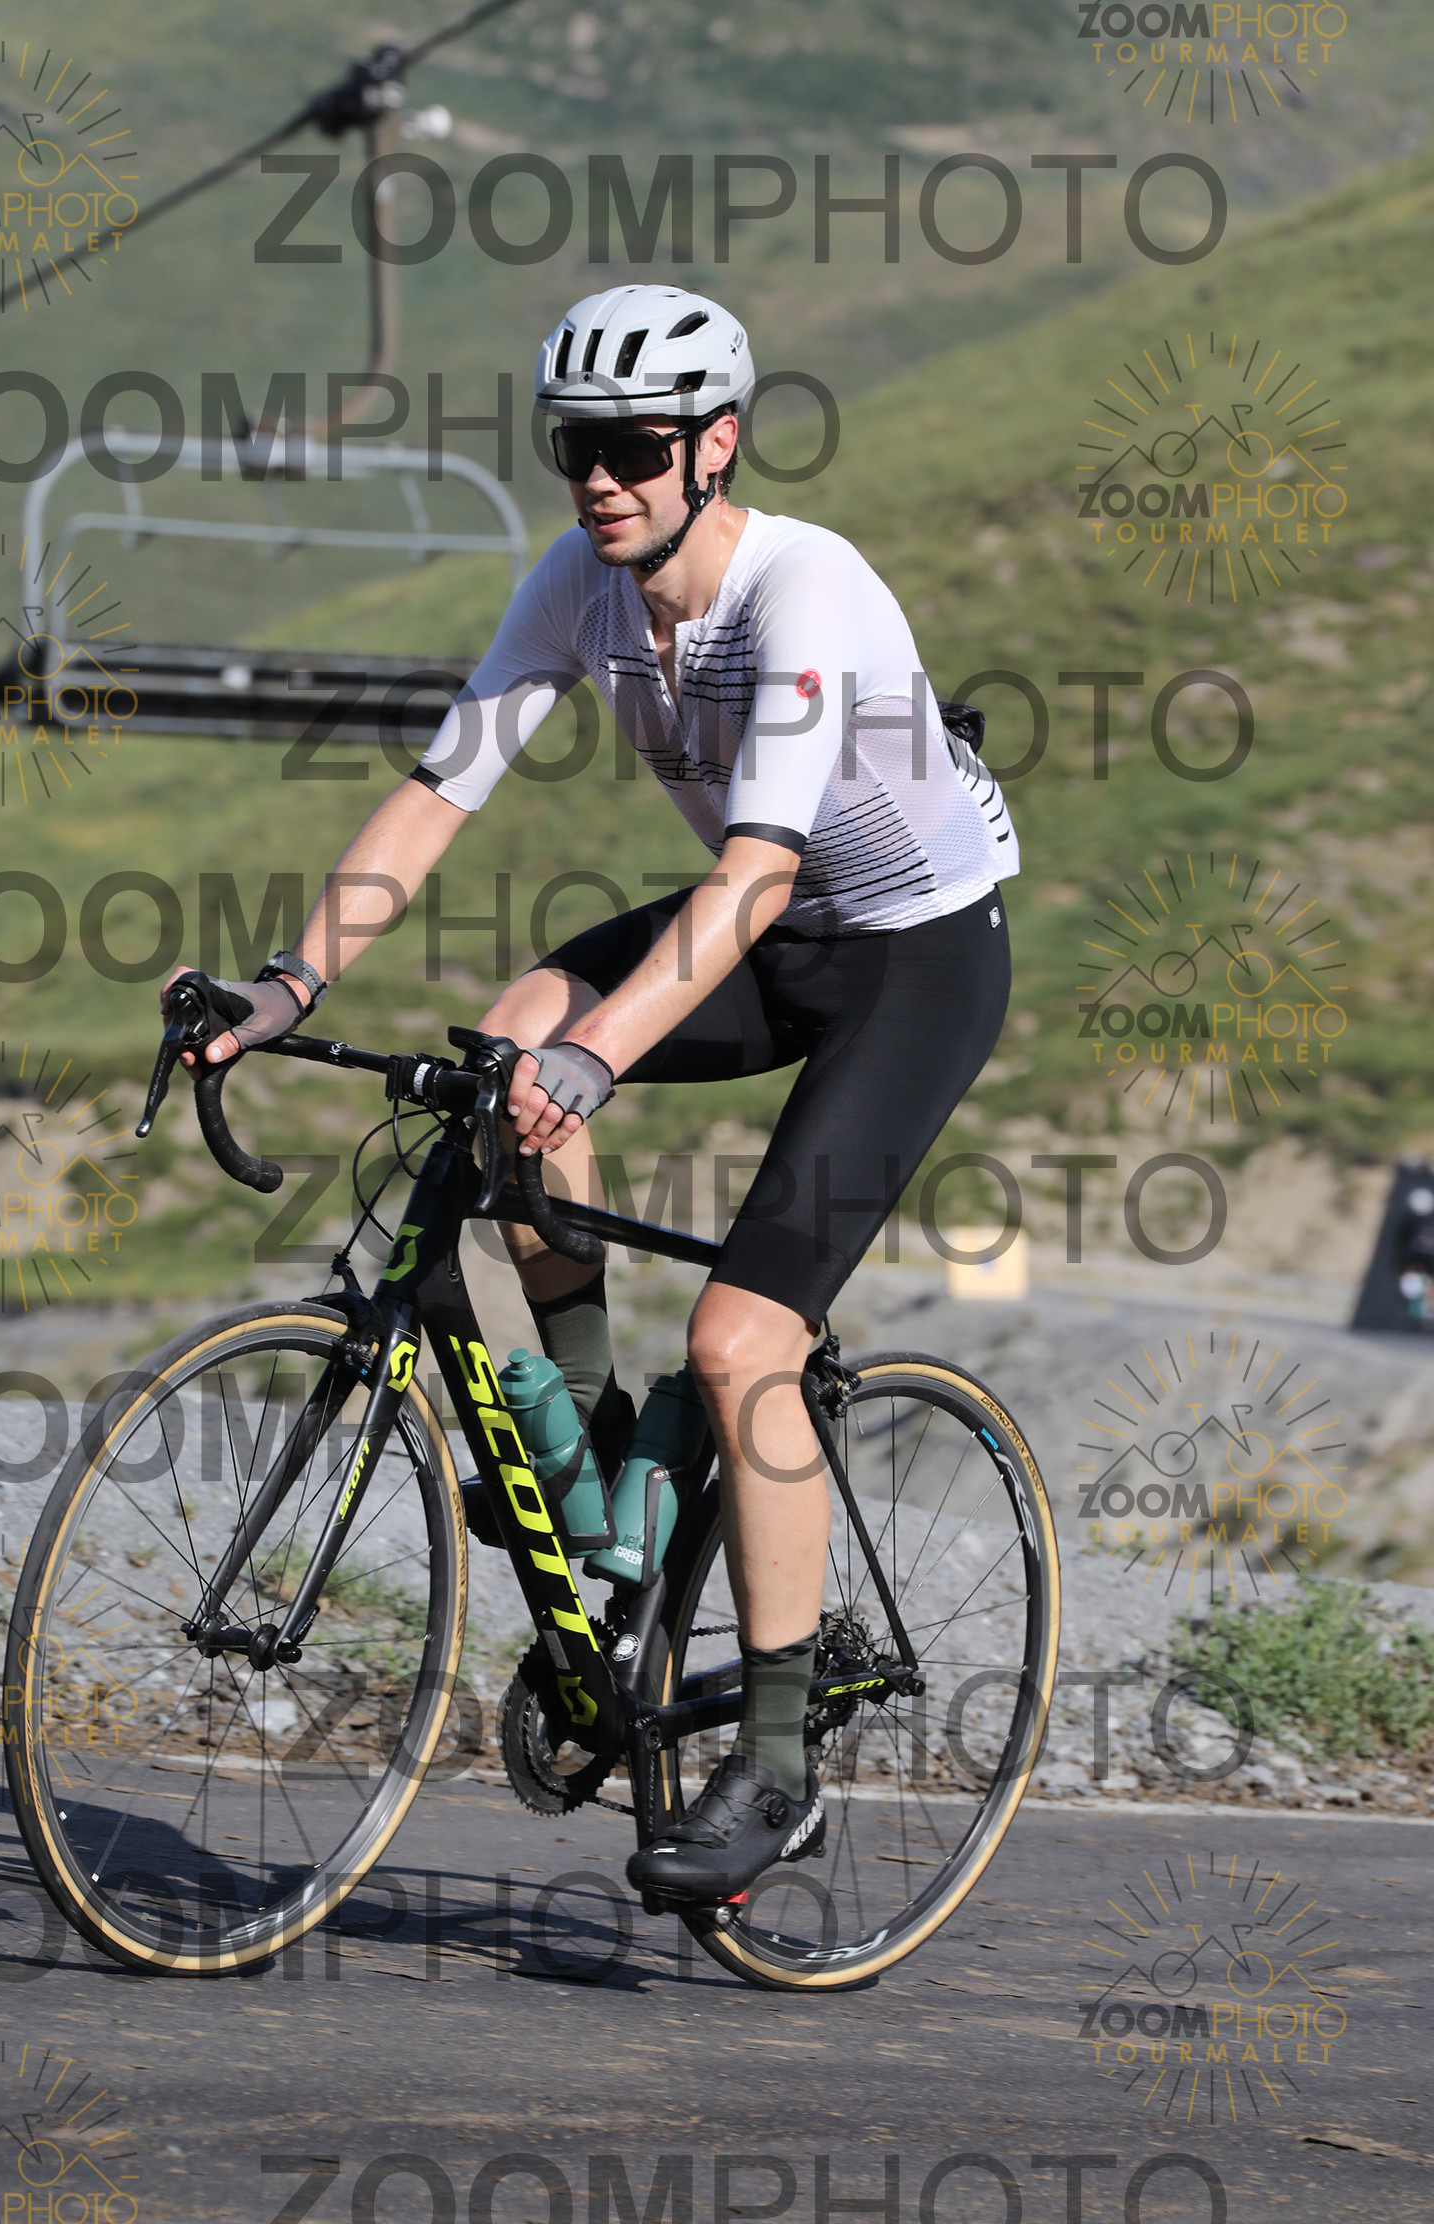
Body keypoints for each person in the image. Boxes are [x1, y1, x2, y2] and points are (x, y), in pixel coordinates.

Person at [168, 283, 1018, 1901]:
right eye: (576, 447)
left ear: (717, 444)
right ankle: (602, 1456)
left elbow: (758, 875)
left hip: (909, 955)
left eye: (635, 448)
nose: (601, 479)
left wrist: (601, 1053)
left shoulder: (805, 590)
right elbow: (439, 794)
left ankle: (778, 1765)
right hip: (767, 927)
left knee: (745, 1339)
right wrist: (289, 987)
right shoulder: (581, 581)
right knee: (503, 1049)